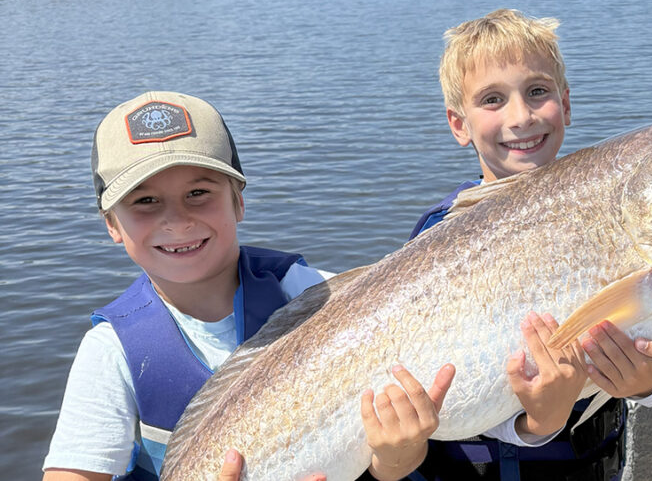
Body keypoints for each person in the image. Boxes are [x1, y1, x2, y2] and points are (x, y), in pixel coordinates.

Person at [42, 91, 452, 481]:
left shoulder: (319, 296)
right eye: (145, 202)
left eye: (198, 192)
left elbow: (391, 465)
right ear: (112, 223)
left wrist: (399, 451)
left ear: (239, 200)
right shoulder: (111, 351)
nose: (178, 220)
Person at [405, 8, 652, 481]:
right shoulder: (438, 241)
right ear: (459, 124)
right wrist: (537, 422)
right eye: (492, 100)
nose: (522, 116)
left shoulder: (606, 206)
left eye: (537, 91)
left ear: (566, 103)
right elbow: (455, 391)